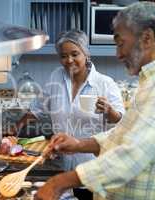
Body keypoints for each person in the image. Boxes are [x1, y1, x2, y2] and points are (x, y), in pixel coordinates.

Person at [34, 2, 155, 200]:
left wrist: (59, 183)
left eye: (121, 43)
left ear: (147, 38)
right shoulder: (154, 82)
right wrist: (78, 144)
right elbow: (124, 134)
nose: (118, 54)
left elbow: (131, 155)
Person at [8, 29, 125, 170]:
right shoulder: (56, 77)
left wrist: (109, 111)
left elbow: (121, 121)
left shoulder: (105, 83)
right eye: (64, 56)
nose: (69, 60)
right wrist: (16, 127)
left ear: (86, 54)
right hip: (60, 162)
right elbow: (38, 108)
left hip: (92, 164)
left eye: (75, 54)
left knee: (84, 192)